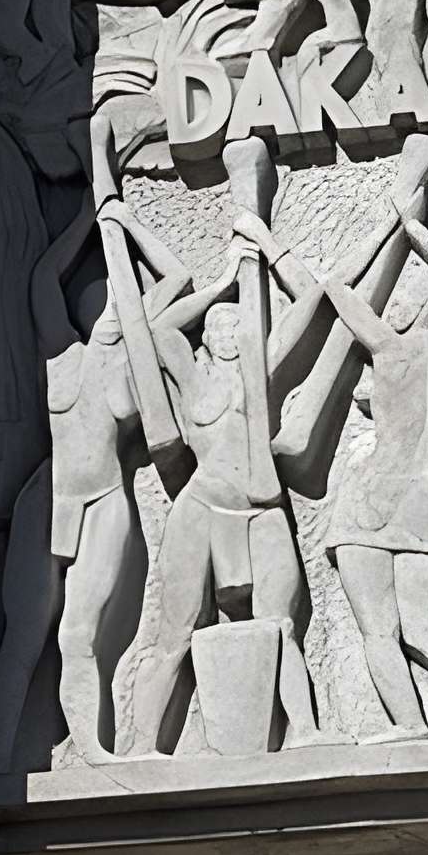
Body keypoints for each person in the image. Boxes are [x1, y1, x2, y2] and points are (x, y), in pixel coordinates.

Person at [240, 199, 428, 739]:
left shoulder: (389, 350)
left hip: (372, 493)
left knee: (379, 630)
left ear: (414, 307)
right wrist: (420, 233)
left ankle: (411, 724)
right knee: (423, 627)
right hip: (425, 490)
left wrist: (392, 225)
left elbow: (338, 292)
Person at [0, 210, 186, 772]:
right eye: (105, 302)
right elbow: (43, 279)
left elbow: (178, 281)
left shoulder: (132, 361)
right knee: (23, 635)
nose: (111, 311)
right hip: (50, 503)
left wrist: (129, 229)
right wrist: (90, 216)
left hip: (107, 501)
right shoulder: (62, 356)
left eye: (119, 303)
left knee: (78, 634)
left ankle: (88, 745)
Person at [112, 203, 322, 758]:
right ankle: (140, 743)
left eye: (236, 325)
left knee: (282, 626)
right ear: (206, 339)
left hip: (262, 509)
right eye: (219, 327)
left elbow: (310, 302)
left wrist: (264, 242)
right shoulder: (194, 380)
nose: (230, 332)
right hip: (201, 509)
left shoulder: (260, 372)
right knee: (175, 634)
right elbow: (158, 329)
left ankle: (305, 730)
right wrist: (224, 284)